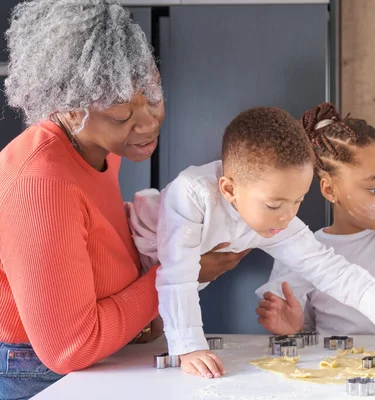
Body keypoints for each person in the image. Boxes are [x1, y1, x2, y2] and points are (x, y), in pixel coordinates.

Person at [0, 2, 247, 399]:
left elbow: (94, 247)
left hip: (101, 357)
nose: (148, 121)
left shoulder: (98, 148)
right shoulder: (39, 183)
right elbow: (69, 348)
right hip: (34, 375)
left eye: (153, 96)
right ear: (69, 107)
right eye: (121, 116)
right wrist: (180, 273)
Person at [128, 106, 375, 380]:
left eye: (298, 201)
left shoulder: (280, 217)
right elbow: (177, 277)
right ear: (229, 189)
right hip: (130, 259)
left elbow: (332, 269)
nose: (287, 217)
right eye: (275, 206)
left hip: (153, 296)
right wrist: (190, 348)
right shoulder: (192, 194)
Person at [254, 103, 375, 345]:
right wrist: (294, 328)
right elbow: (302, 326)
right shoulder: (305, 251)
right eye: (374, 189)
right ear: (330, 189)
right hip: (333, 370)